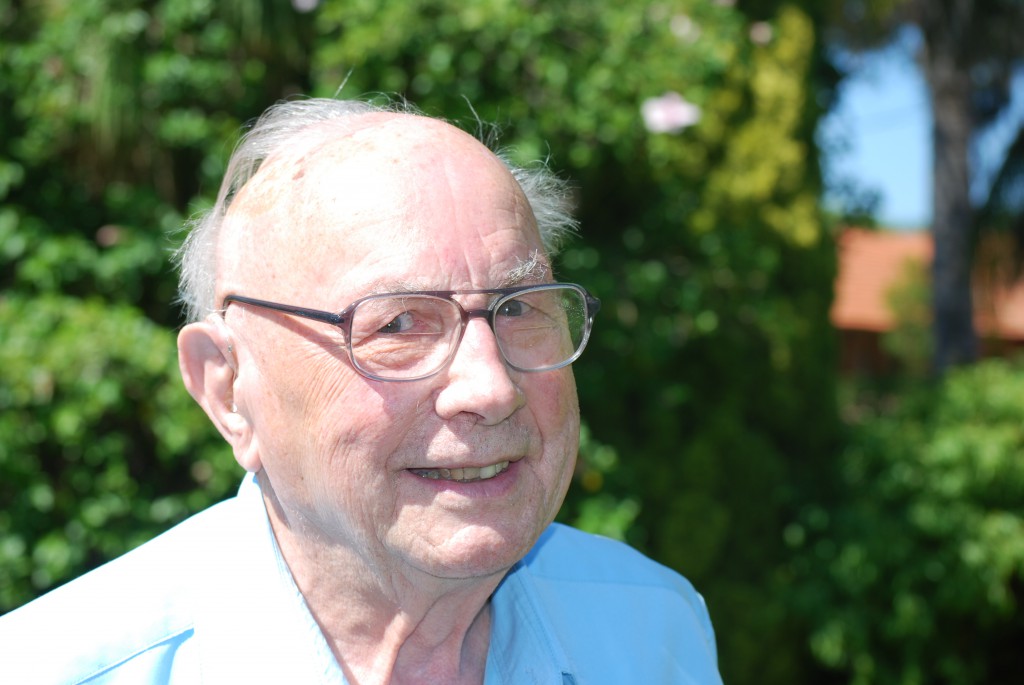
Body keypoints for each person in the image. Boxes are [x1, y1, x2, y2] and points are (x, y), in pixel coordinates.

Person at [0, 98, 722, 684]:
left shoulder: (654, 628)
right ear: (227, 388)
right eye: (399, 322)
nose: (490, 385)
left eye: (517, 306)